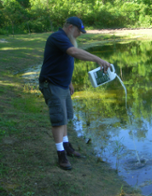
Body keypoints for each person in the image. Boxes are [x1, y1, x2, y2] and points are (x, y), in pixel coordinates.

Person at [39, 16, 111, 170]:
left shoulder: (65, 39)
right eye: (79, 31)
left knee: (65, 117)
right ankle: (61, 155)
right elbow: (73, 52)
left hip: (63, 84)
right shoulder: (57, 37)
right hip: (52, 84)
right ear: (71, 27)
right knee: (58, 119)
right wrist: (98, 60)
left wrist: (69, 81)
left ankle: (66, 146)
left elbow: (61, 62)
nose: (80, 34)